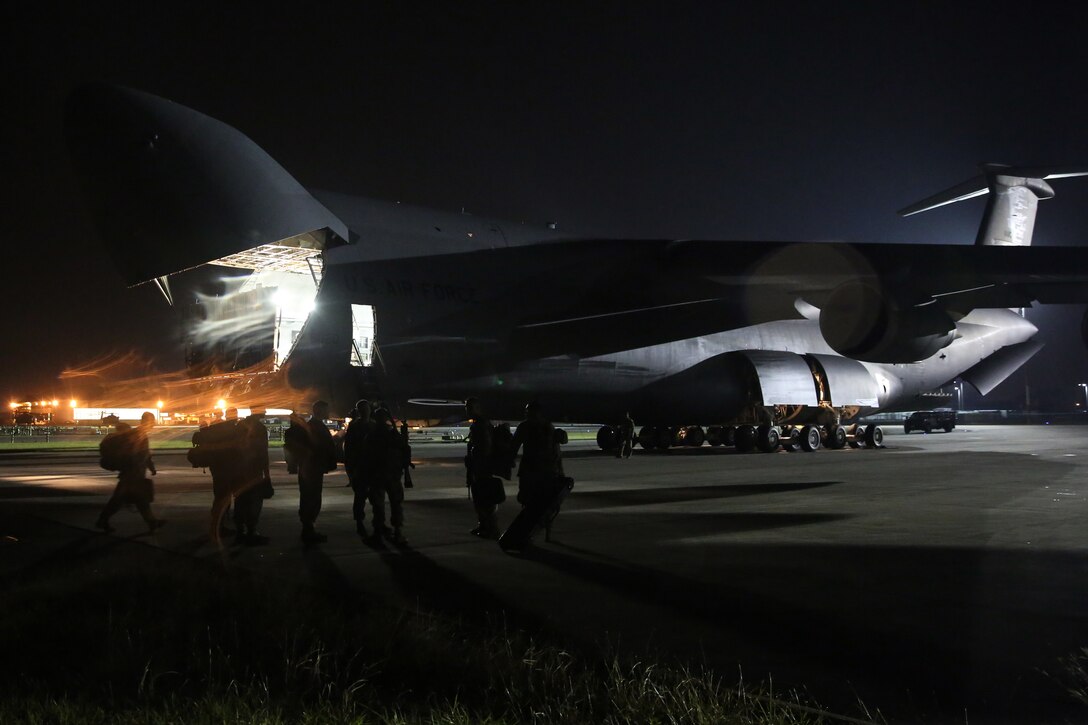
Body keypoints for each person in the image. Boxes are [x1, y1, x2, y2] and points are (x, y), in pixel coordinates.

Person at [95, 413, 165, 533]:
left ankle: (151, 522)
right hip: (132, 473)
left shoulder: (138, 433)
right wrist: (149, 467)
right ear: (146, 421)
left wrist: (149, 467)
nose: (153, 424)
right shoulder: (139, 434)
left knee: (137, 499)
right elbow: (141, 454)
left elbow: (144, 454)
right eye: (152, 421)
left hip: (132, 472)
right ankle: (102, 520)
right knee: (121, 500)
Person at [284, 401, 336, 544]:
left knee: (308, 498)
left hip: (309, 468)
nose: (328, 413)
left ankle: (308, 529)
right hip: (313, 469)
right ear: (320, 411)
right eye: (326, 410)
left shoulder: (311, 426)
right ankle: (308, 530)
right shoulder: (316, 427)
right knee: (311, 499)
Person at [193, 407, 244, 541]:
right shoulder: (229, 429)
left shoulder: (214, 428)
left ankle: (217, 524)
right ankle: (217, 527)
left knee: (220, 495)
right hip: (225, 467)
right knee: (223, 497)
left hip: (217, 466)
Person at [364, 407, 410, 544]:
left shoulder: (371, 435)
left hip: (377, 475)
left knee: (378, 505)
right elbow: (405, 450)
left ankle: (378, 532)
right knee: (395, 504)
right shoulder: (393, 434)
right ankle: (397, 532)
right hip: (392, 475)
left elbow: (366, 456)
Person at [510, 401, 563, 508]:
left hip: (533, 470)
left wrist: (510, 460)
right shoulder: (547, 426)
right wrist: (559, 470)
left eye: (529, 411)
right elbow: (556, 451)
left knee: (530, 501)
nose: (527, 414)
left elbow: (514, 446)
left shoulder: (526, 426)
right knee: (543, 501)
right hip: (544, 469)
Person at [233, 408, 271, 545]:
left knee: (240, 501)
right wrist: (267, 475)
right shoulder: (260, 428)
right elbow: (263, 453)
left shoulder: (240, 425)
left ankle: (239, 531)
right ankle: (251, 531)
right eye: (264, 410)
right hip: (254, 471)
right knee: (254, 503)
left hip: (238, 470)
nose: (265, 413)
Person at [465, 397, 499, 538]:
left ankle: (489, 527)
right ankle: (484, 525)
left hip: (482, 467)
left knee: (483, 498)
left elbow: (484, 446)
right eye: (467, 407)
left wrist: (475, 459)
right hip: (480, 466)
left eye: (470, 407)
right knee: (481, 498)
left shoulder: (480, 425)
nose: (468, 410)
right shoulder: (480, 423)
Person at [342, 399, 374, 537]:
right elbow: (348, 449)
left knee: (376, 497)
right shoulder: (355, 427)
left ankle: (378, 522)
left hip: (373, 467)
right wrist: (350, 470)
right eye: (363, 409)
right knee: (360, 497)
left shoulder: (373, 426)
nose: (365, 412)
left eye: (367, 409)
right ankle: (359, 522)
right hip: (360, 467)